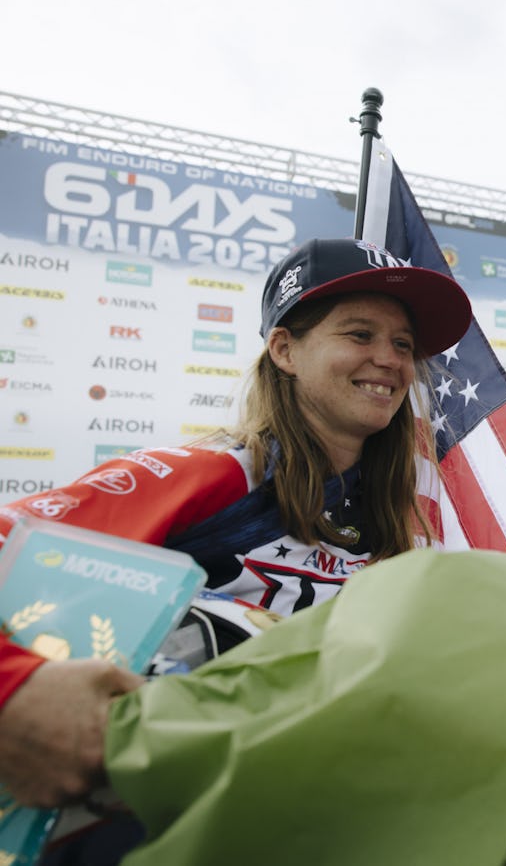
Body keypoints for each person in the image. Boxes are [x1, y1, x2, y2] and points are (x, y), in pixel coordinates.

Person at [0, 238, 472, 818]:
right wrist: (14, 689)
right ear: (285, 349)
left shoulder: (404, 522)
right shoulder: (217, 476)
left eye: (402, 344)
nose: (390, 360)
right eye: (359, 334)